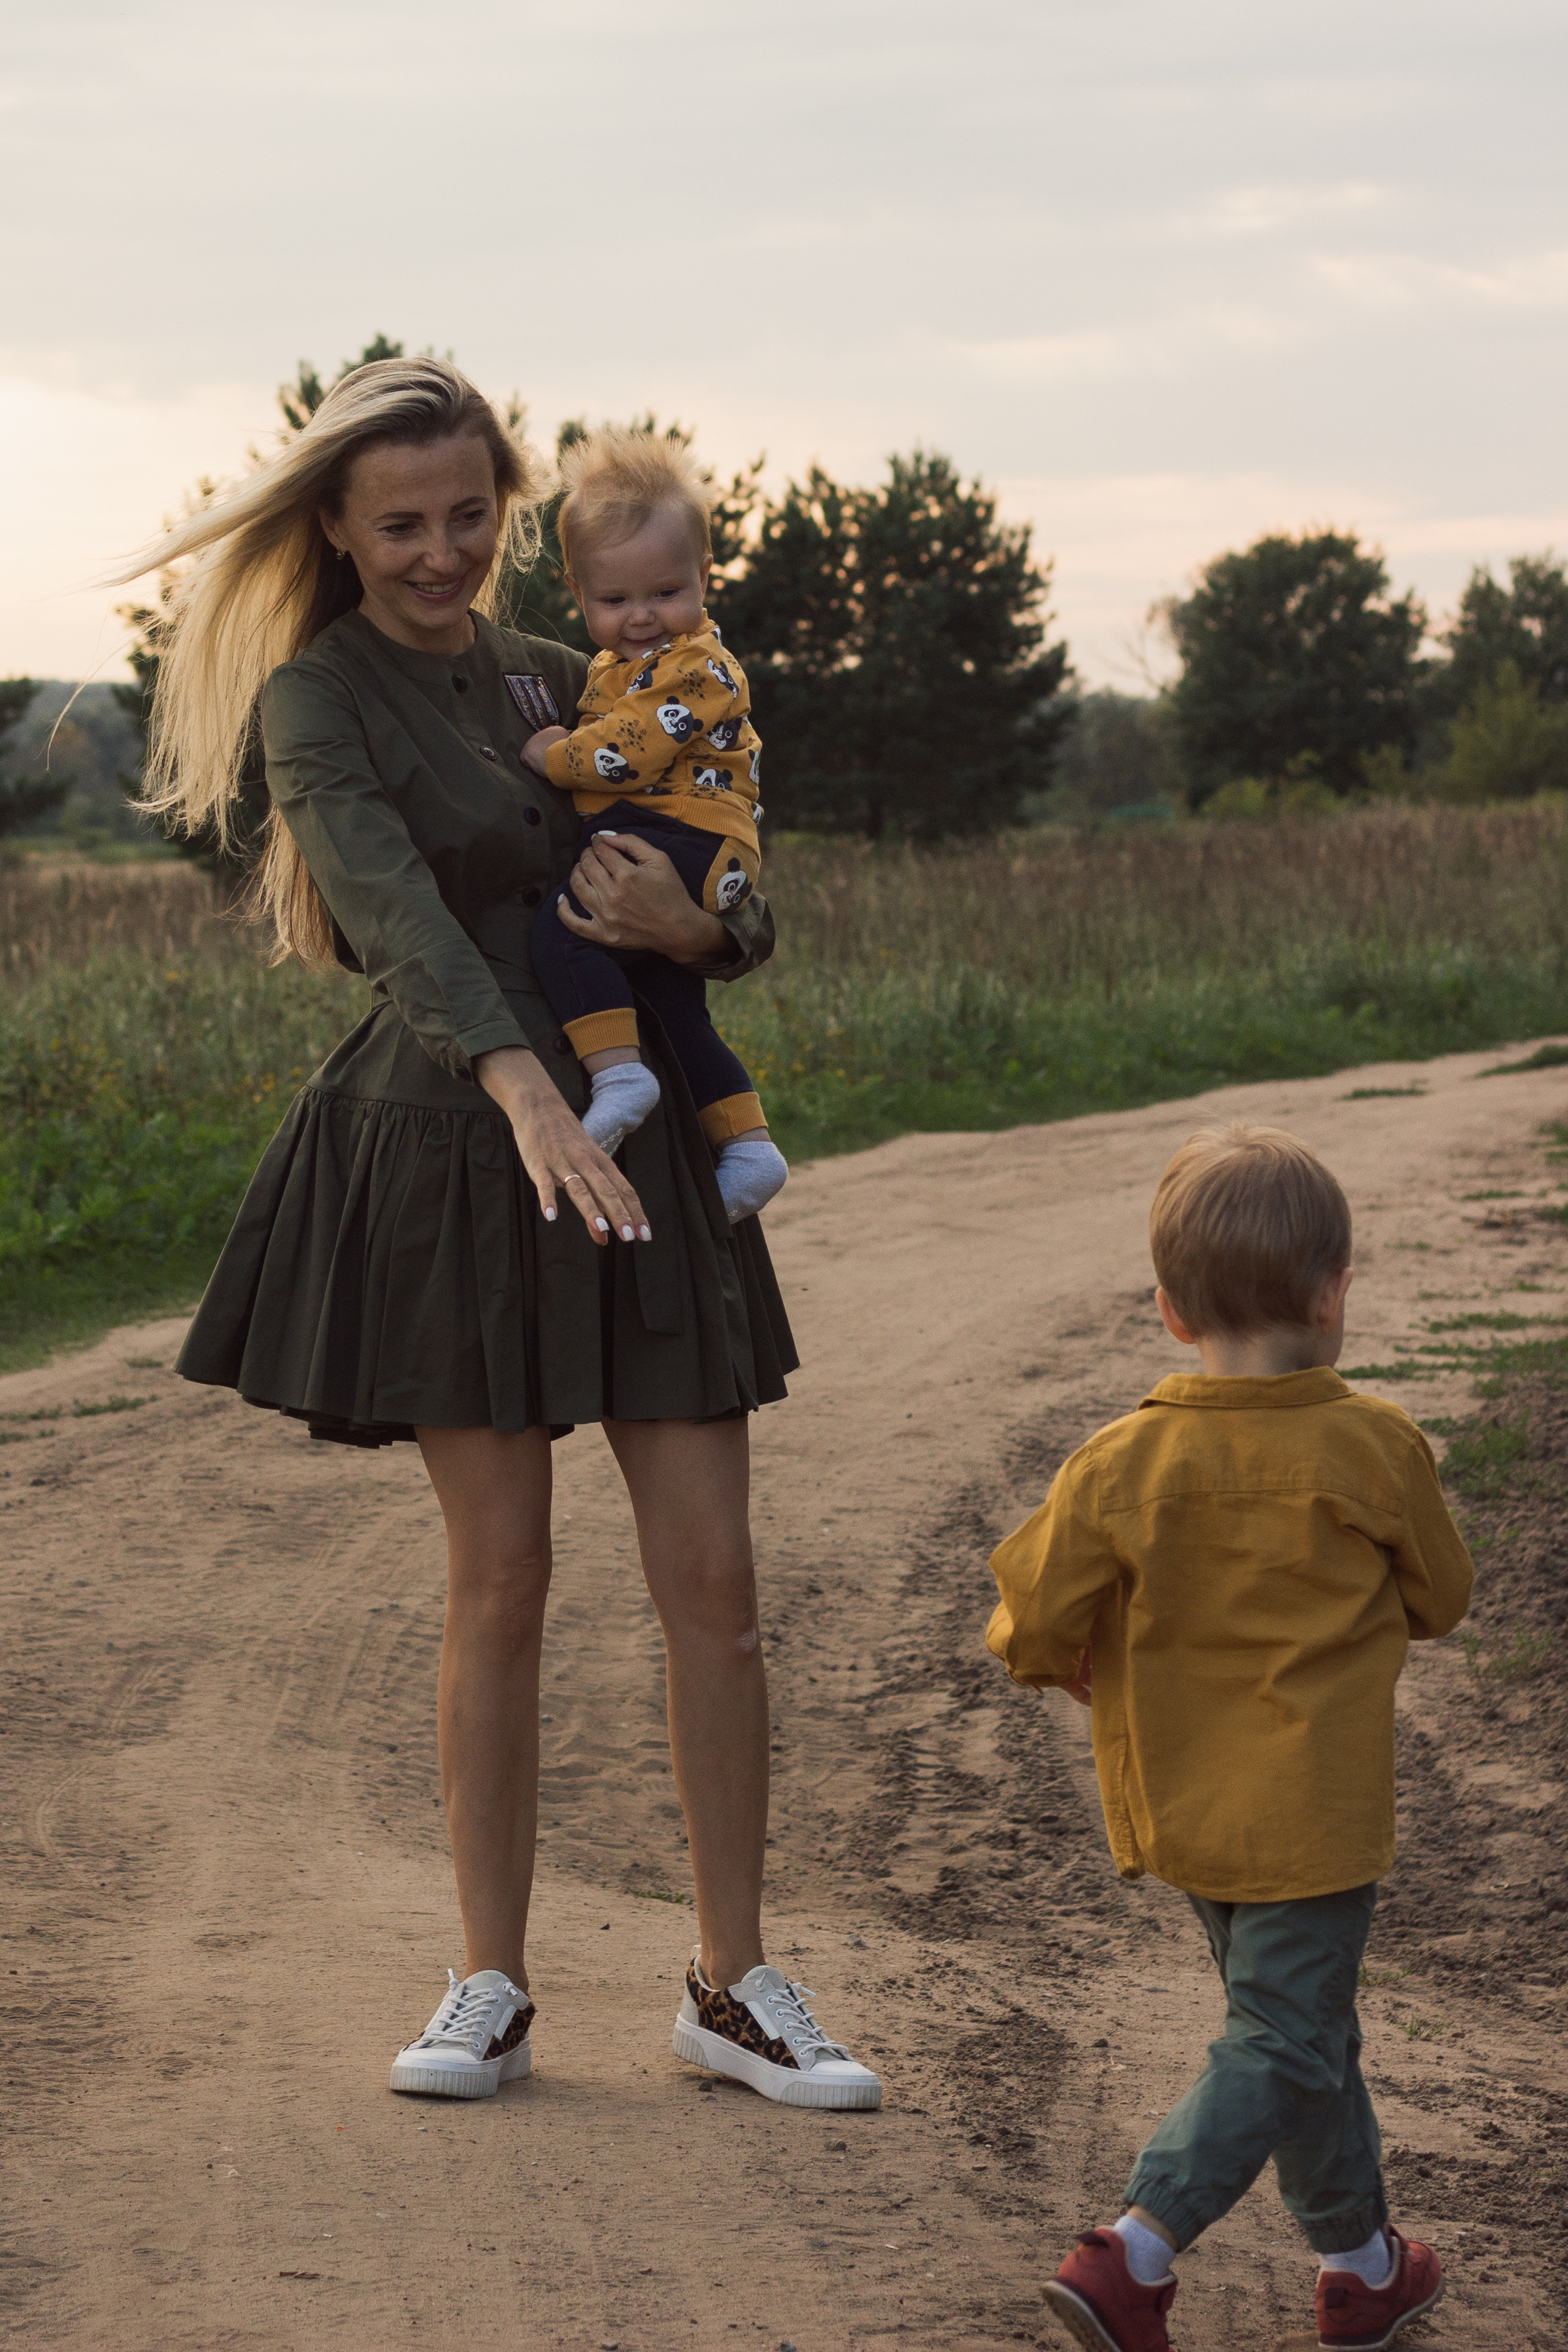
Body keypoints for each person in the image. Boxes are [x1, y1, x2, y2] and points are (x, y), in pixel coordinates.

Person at [124, 356, 878, 2113]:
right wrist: (524, 1096)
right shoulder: (315, 701)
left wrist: (705, 930)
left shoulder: (574, 663)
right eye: (404, 521)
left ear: (505, 502)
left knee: (717, 1583)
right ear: (337, 525)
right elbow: (396, 917)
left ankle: (731, 1979)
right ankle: (491, 1980)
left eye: (470, 512)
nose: (443, 548)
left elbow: (721, 844)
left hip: (645, 1152)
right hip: (460, 1156)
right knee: (503, 1582)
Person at [985, 1125, 1471, 2352]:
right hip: (1313, 1816)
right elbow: (1442, 1596)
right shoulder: (1372, 1446)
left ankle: (1361, 2263)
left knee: (1297, 2031)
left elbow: (1026, 1619)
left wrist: (1072, 1659)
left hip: (1183, 1811)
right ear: (1330, 1291)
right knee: (1281, 2030)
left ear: (1166, 1309)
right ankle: (1132, 2248)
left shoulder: (1118, 1461)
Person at [521, 426, 788, 1226]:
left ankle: (621, 1077)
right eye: (614, 600)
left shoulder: (696, 665)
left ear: (706, 578)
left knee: (566, 925)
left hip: (687, 838)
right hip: (683, 840)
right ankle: (748, 1145)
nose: (643, 617)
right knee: (674, 1008)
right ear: (577, 590)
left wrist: (555, 756)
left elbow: (626, 753)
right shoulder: (612, 667)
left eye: (666, 593)